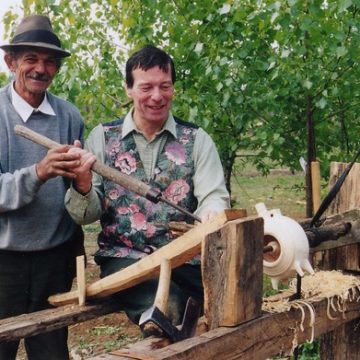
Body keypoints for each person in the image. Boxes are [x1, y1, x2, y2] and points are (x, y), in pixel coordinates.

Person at [65, 45, 230, 334]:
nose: (157, 96)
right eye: (146, 87)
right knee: (170, 309)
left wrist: (212, 213)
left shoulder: (197, 140)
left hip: (185, 257)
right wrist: (82, 183)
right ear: (128, 89)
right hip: (126, 261)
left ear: (173, 89)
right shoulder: (103, 137)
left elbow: (213, 195)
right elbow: (85, 215)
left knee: (227, 304)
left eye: (164, 86)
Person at [0, 14, 85, 359]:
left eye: (49, 61)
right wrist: (38, 172)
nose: (40, 68)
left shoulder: (69, 117)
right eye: (30, 59)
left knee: (51, 350)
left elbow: (80, 196)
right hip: (4, 262)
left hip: (55, 256)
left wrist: (82, 180)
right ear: (11, 62)